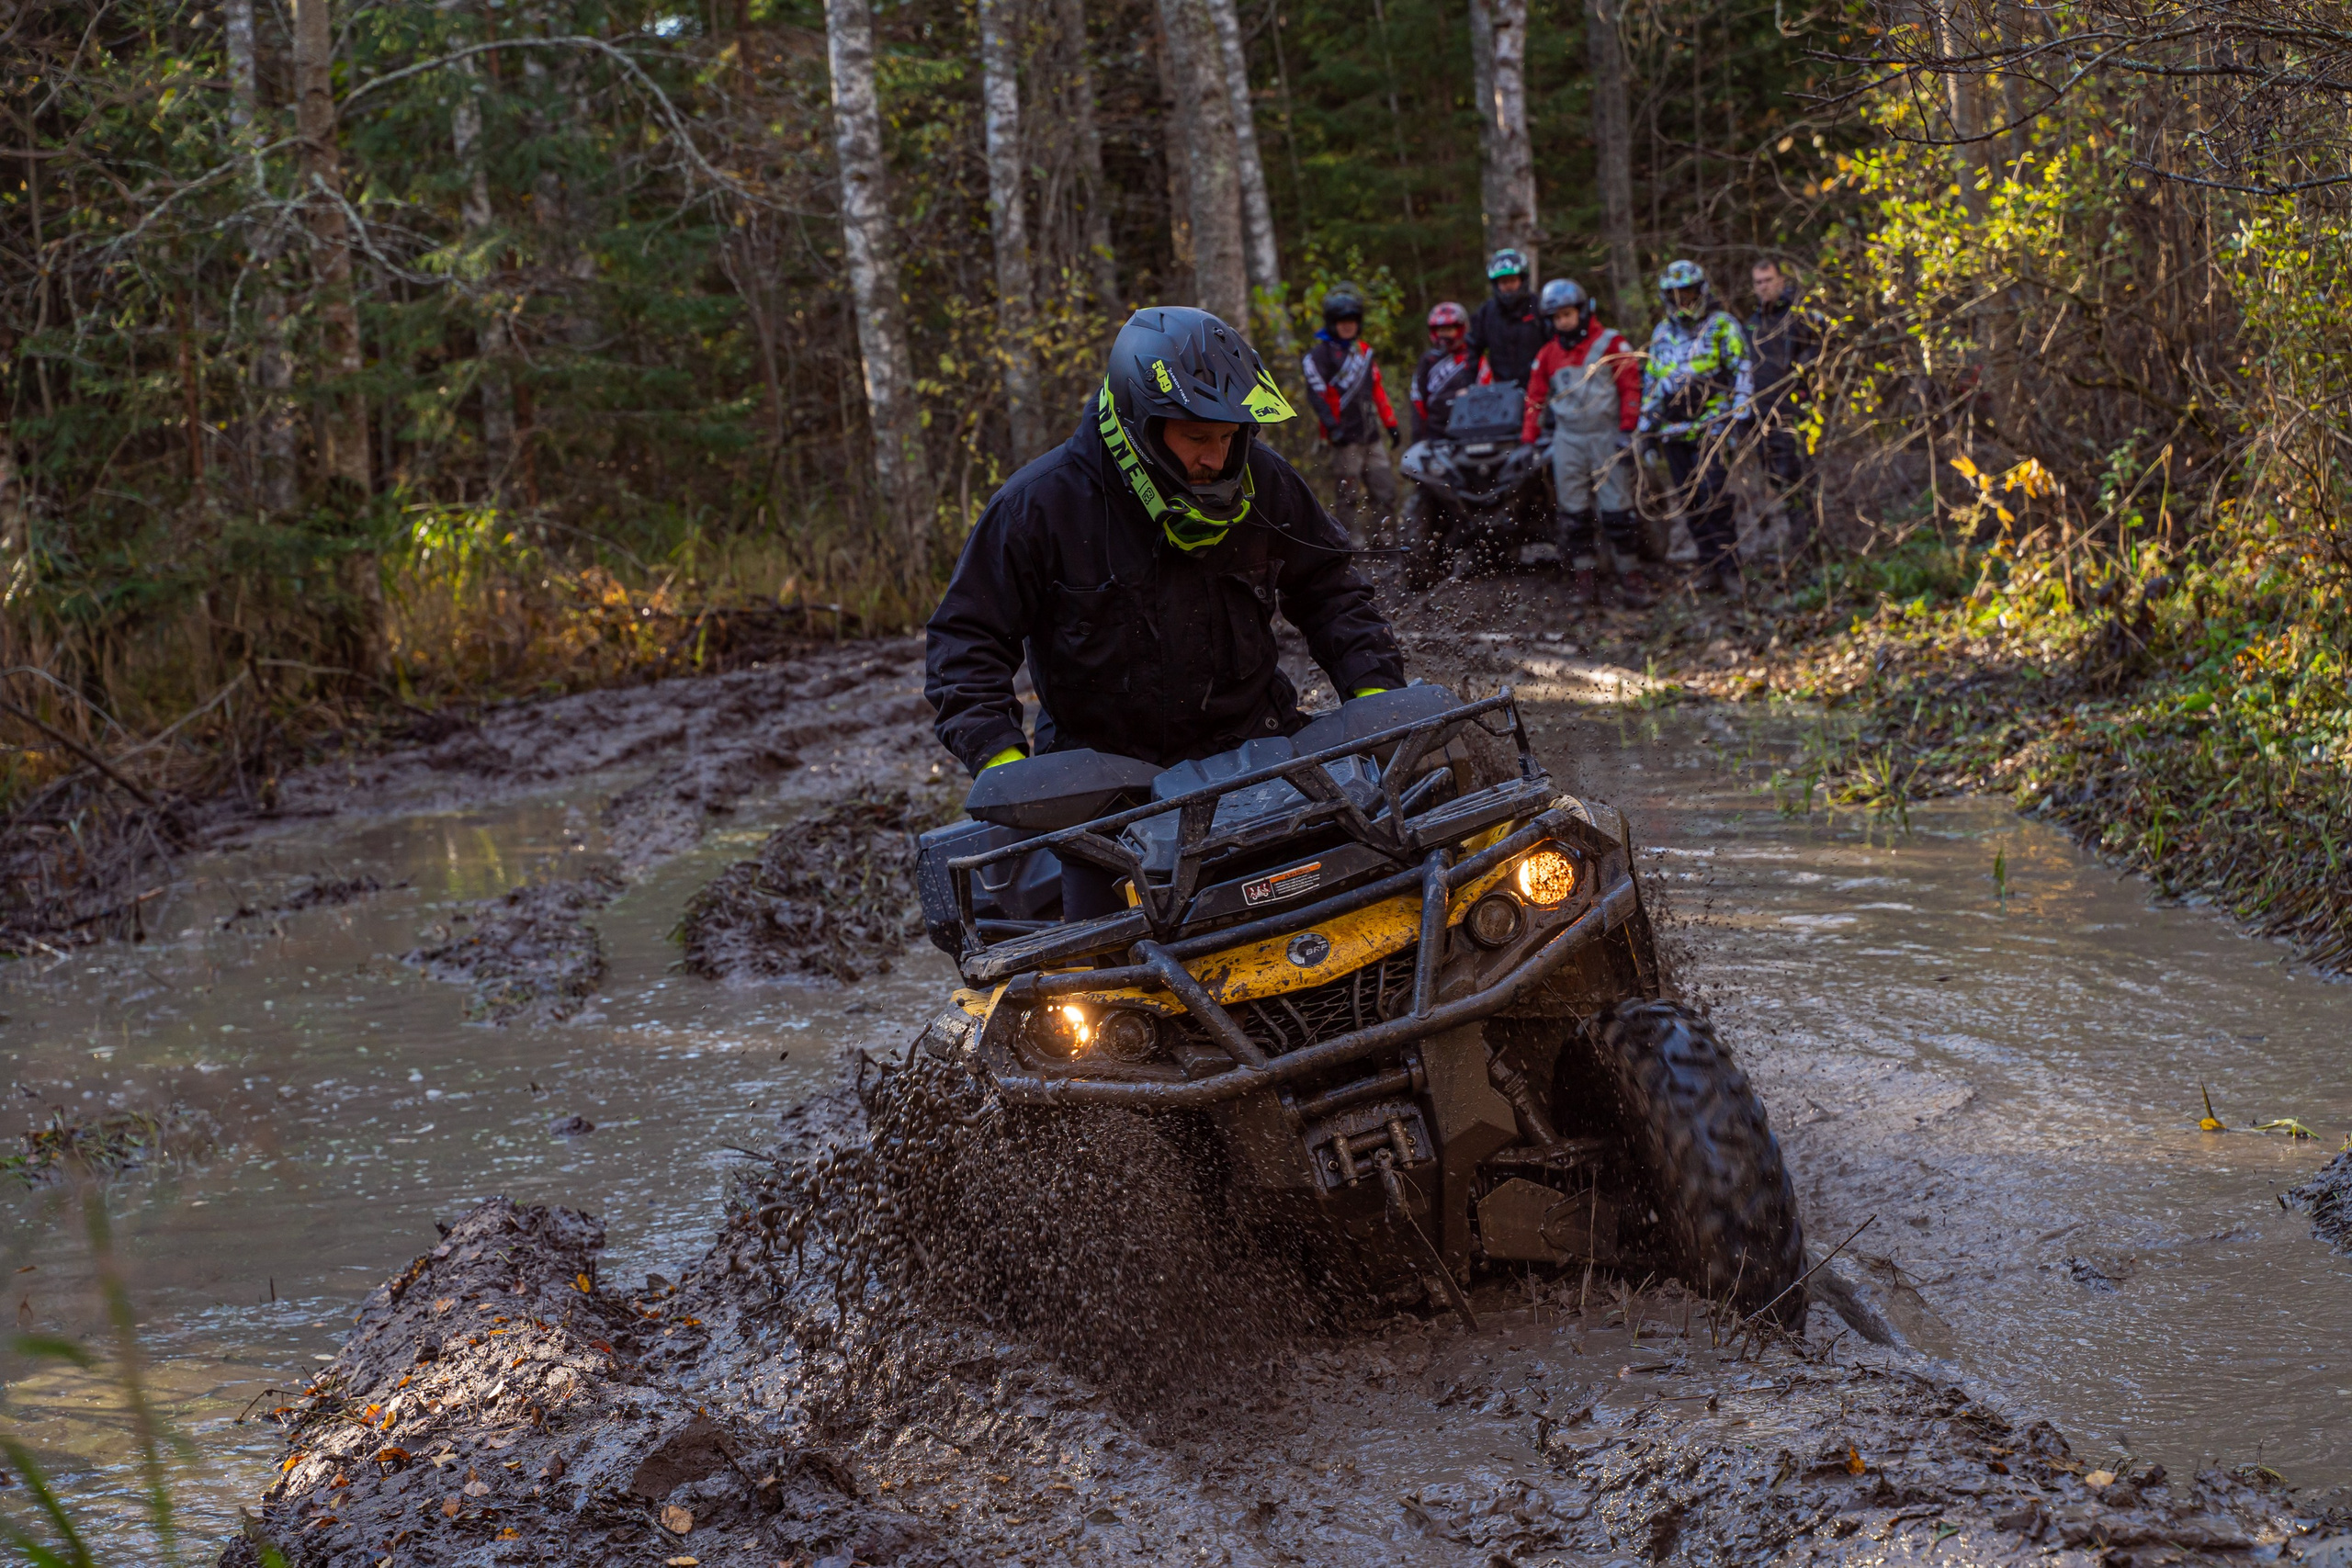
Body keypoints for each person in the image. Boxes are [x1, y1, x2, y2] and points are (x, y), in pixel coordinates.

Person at [926, 304, 1405, 785]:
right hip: (1104, 784)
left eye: (1229, 435)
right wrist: (1007, 769)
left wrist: (1376, 699)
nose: (1216, 458)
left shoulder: (1262, 479)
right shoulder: (1039, 507)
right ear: (1141, 422)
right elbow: (966, 643)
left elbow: (1332, 590)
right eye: (1197, 436)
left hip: (1259, 754)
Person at [1521, 278, 1648, 608]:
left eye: (1567, 314)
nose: (1563, 322)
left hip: (1607, 435)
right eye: (1556, 317)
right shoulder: (1547, 354)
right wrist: (1528, 440)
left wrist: (1628, 428)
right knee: (1573, 513)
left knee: (1617, 510)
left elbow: (1631, 386)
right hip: (1568, 439)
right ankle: (1584, 578)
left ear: (1581, 311)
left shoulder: (1611, 343)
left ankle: (1631, 577)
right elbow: (1535, 398)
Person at [1637, 259, 1755, 595]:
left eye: (1687, 293)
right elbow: (1652, 382)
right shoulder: (1662, 333)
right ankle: (1708, 565)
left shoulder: (1722, 326)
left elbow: (1742, 369)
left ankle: (1730, 568)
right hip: (1673, 430)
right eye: (1675, 296)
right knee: (1687, 499)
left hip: (1712, 425)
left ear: (1701, 292)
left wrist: (1740, 417)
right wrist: (1646, 428)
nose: (1683, 301)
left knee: (1713, 495)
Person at [1300, 286, 1402, 546]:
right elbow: (1316, 396)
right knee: (1348, 496)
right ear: (1331, 322)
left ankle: (1385, 540)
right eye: (1342, 321)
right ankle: (1351, 545)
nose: (1347, 326)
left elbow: (1377, 391)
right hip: (1345, 440)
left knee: (1385, 490)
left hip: (1372, 437)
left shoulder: (1364, 352)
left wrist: (1391, 424)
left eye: (1352, 320)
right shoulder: (1318, 357)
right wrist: (1332, 428)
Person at [1746, 256, 1826, 545]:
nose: (1764, 287)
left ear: (1781, 280)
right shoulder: (1752, 325)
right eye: (1758, 282)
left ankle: (1811, 546)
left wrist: (1802, 367)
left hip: (1798, 414)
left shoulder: (1801, 316)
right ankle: (1800, 544)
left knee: (1801, 480)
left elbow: (1827, 342)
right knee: (1779, 481)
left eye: (1769, 280)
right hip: (1764, 418)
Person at [1466, 248, 1547, 390]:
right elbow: (1472, 350)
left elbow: (1555, 344)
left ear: (1522, 280)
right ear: (1496, 284)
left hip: (1541, 385)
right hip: (1502, 390)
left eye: (1512, 280)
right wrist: (1467, 385)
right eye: (1503, 282)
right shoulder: (1486, 312)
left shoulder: (1538, 306)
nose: (1508, 286)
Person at [1410, 301, 1478, 440]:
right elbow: (1417, 397)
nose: (1444, 335)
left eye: (1449, 329)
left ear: (1461, 329)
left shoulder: (1473, 357)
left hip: (1470, 428)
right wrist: (1419, 433)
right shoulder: (1428, 360)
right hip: (1436, 431)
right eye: (1440, 330)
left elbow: (1486, 386)